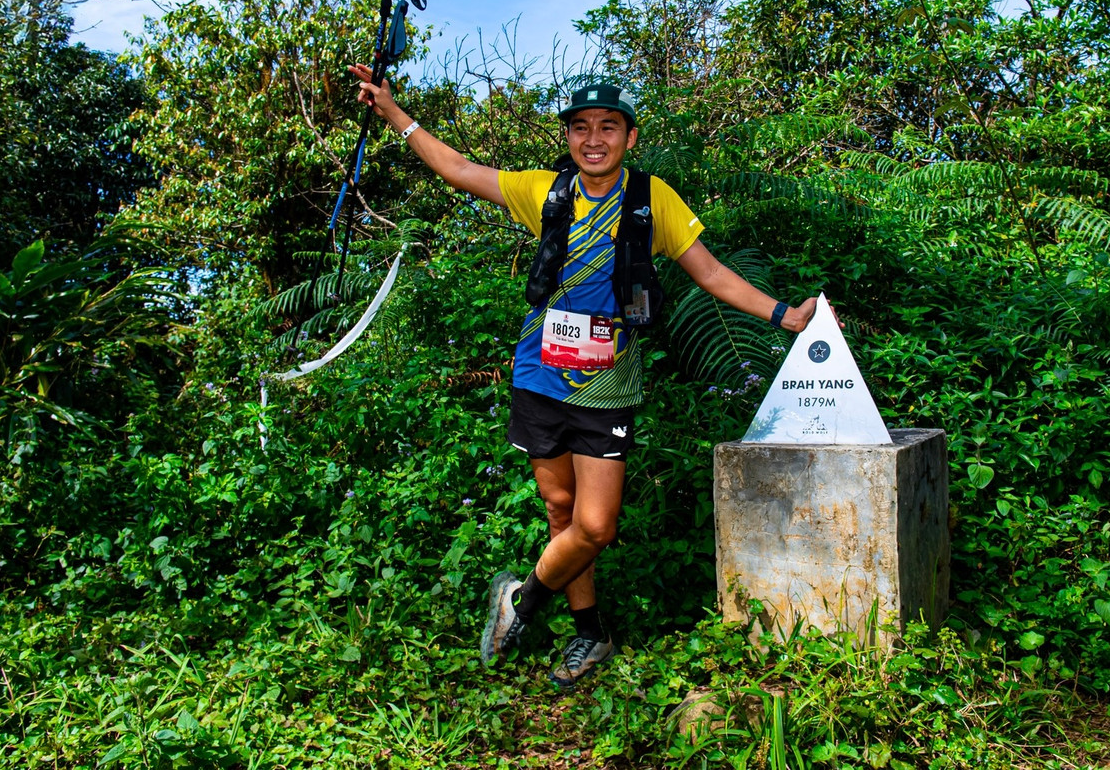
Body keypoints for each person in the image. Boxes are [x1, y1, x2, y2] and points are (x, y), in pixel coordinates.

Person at [349, 65, 817, 686]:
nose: (593, 138)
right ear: (568, 137)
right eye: (581, 127)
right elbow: (460, 170)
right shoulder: (545, 192)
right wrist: (392, 112)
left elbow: (711, 273)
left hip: (608, 383)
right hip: (539, 374)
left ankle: (521, 601)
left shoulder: (654, 200)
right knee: (561, 511)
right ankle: (590, 633)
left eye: (608, 127)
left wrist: (783, 314)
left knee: (595, 525)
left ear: (628, 136)